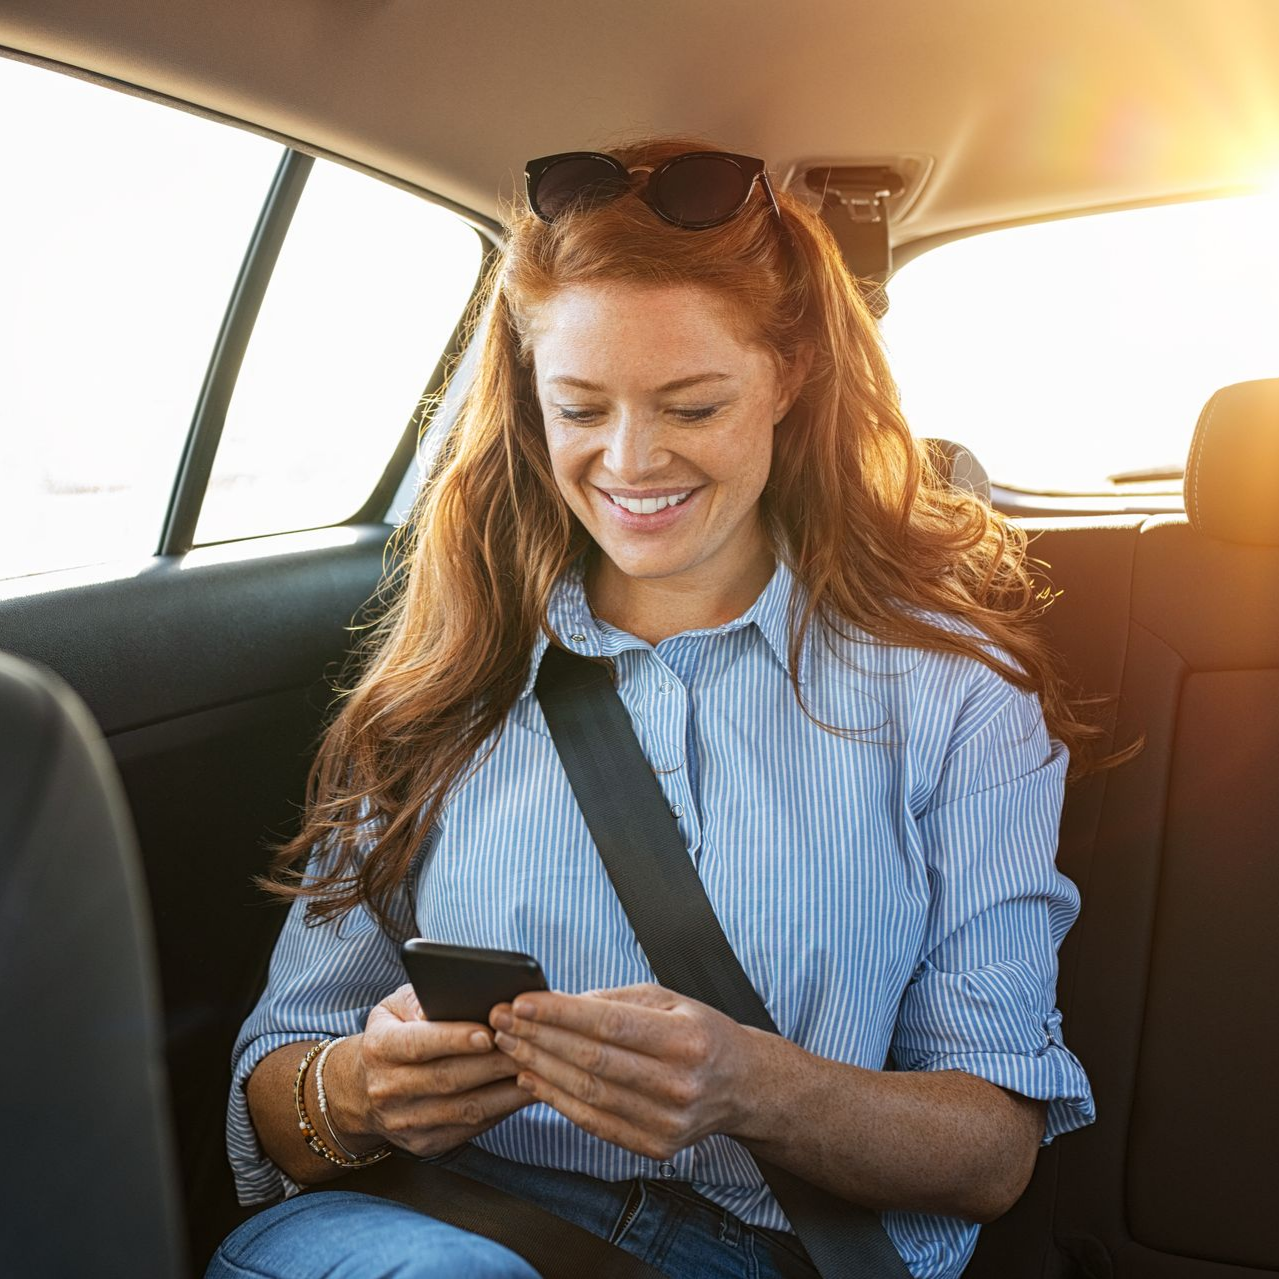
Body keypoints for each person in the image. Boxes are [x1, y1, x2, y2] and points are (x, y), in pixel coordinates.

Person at [206, 134, 1112, 1279]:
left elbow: (989, 1149)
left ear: (788, 378)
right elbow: (279, 1088)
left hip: (771, 1251)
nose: (630, 463)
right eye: (580, 409)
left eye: (689, 406)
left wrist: (755, 1086)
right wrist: (360, 1087)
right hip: (433, 1221)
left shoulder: (954, 695)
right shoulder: (445, 675)